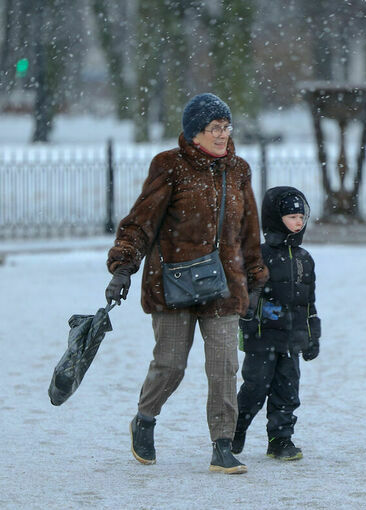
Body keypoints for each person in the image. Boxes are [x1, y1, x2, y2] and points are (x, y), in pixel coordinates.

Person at [105, 93, 268, 474]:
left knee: (224, 366)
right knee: (171, 365)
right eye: (215, 128)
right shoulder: (169, 166)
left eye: (226, 127)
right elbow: (140, 221)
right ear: (195, 132)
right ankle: (145, 418)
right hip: (174, 284)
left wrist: (257, 279)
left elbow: (249, 231)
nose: (222, 135)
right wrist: (122, 267)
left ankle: (222, 445)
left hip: (225, 286)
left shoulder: (238, 170)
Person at [232, 186, 321, 461]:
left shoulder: (305, 259)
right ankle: (235, 429)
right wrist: (248, 323)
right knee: (255, 387)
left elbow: (308, 302)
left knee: (287, 389)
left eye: (301, 217)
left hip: (291, 340)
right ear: (275, 219)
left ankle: (280, 439)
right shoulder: (258, 256)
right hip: (262, 336)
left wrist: (312, 336)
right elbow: (243, 296)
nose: (298, 222)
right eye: (291, 216)